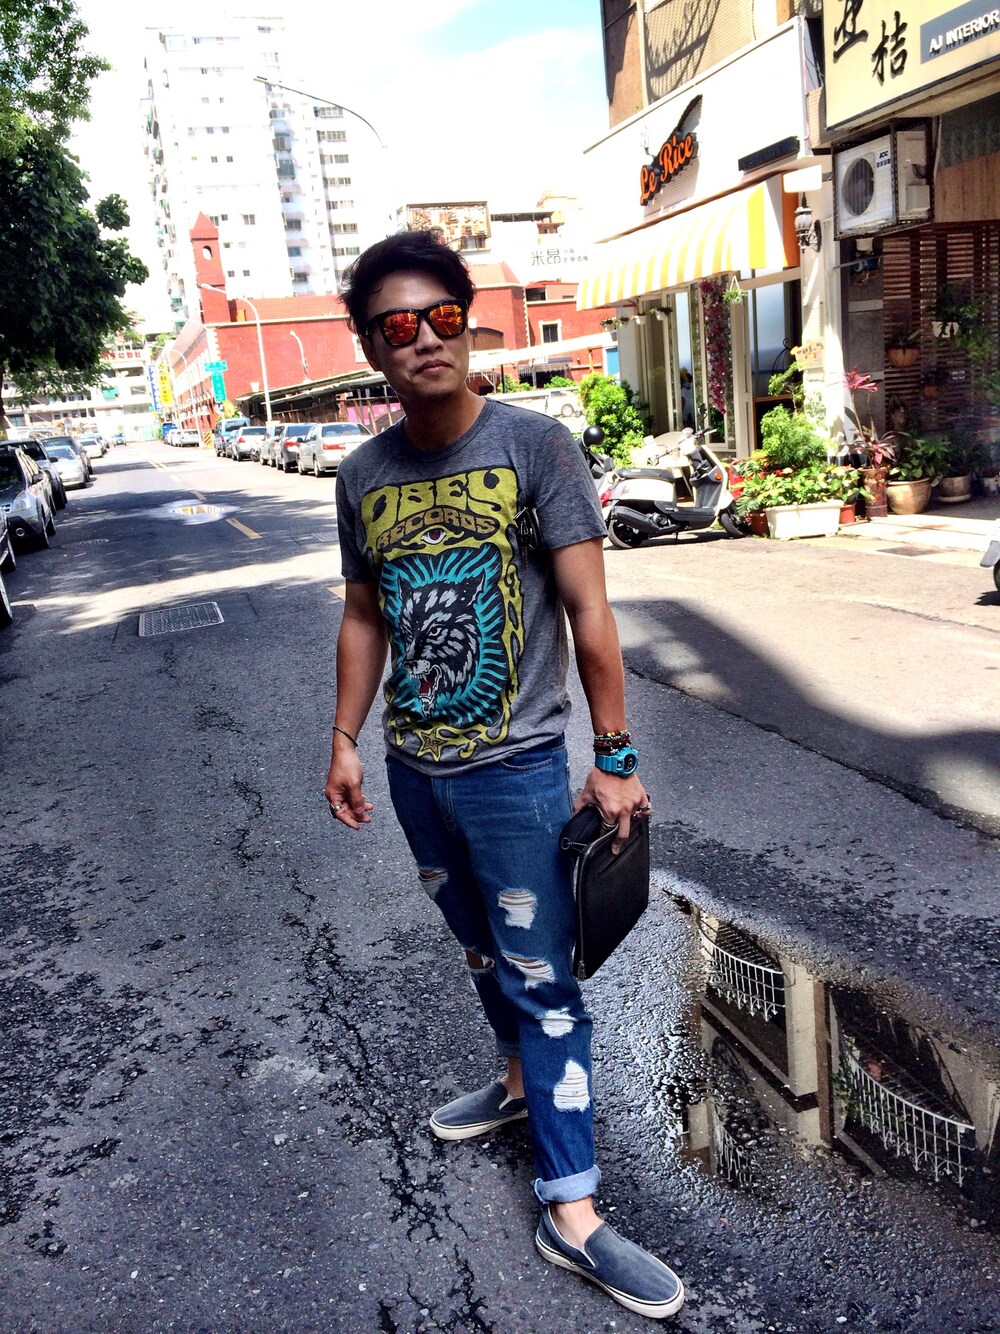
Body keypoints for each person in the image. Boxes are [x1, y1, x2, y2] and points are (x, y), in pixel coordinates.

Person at [324, 230, 684, 1321]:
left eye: (443, 317)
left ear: (468, 324)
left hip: (518, 770)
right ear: (372, 348)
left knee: (545, 982)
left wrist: (613, 756)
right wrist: (343, 736)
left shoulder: (535, 446)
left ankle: (572, 1212)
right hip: (415, 772)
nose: (425, 339)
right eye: (398, 325)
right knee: (479, 945)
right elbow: (363, 615)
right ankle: (519, 1083)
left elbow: (590, 610)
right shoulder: (361, 475)